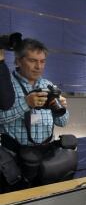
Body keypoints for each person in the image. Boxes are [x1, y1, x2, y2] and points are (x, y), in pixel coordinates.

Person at [0, 38, 69, 189]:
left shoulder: (48, 85)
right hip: (16, 160)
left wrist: (61, 109)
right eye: (33, 61)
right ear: (18, 61)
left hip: (47, 158)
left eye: (42, 61)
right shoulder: (5, 84)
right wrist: (26, 104)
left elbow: (63, 122)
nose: (39, 67)